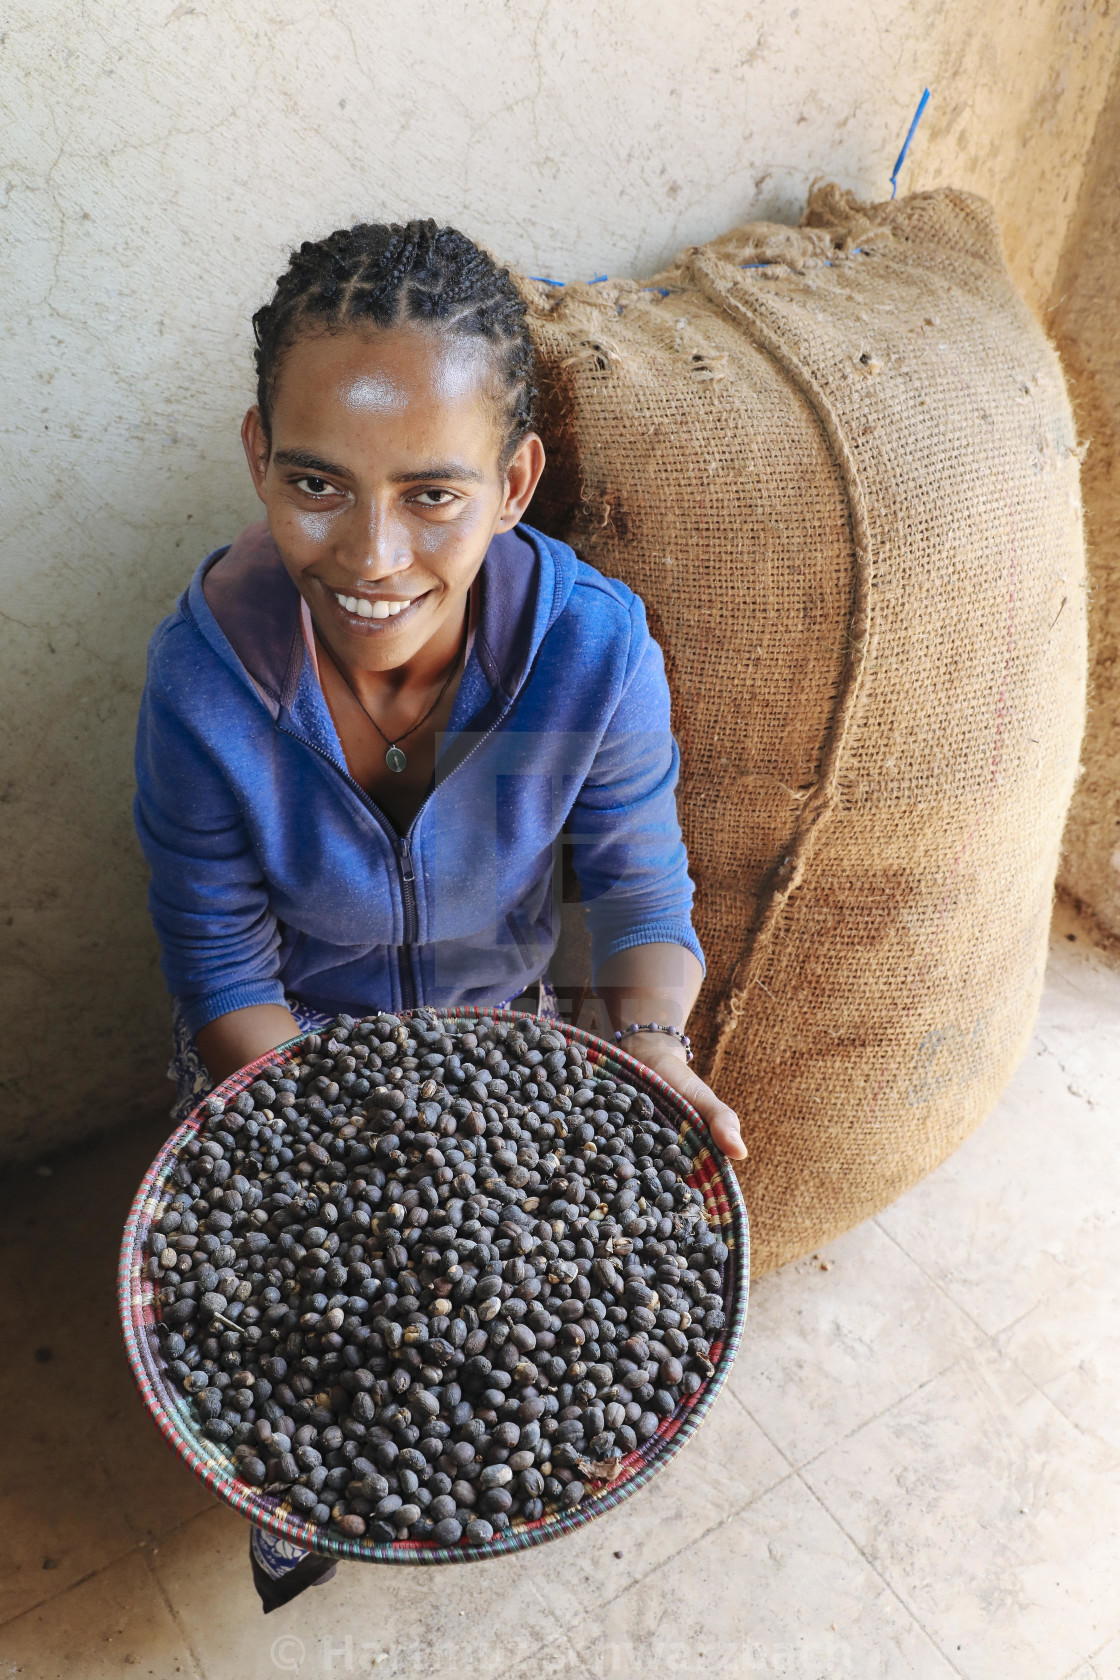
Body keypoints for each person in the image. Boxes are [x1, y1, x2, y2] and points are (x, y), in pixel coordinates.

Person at [134, 218, 745, 1605]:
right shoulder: (200, 684)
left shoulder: (594, 651)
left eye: (434, 494)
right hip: (278, 1055)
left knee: (523, 1315)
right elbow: (217, 958)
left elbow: (642, 892)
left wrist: (650, 1046)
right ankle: (302, 1497)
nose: (370, 553)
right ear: (257, 460)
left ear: (516, 481)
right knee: (293, 1333)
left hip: (508, 1043)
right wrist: (340, 1153)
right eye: (315, 484)